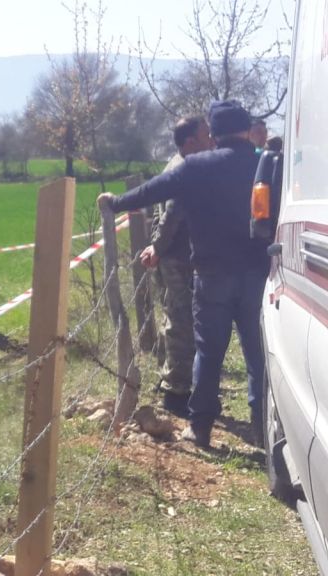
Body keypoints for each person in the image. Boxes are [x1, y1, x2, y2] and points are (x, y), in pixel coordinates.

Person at [98, 100, 270, 448]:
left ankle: (200, 427)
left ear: (215, 133)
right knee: (257, 353)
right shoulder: (266, 164)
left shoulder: (196, 167)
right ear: (246, 129)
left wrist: (115, 203)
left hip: (211, 274)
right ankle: (262, 425)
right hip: (258, 275)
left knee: (208, 352)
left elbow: (152, 191)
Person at [137, 116, 213, 415]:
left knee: (178, 316)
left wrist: (157, 246)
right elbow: (170, 216)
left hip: (175, 254)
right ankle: (176, 391)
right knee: (182, 321)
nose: (211, 140)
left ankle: (173, 376)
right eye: (206, 135)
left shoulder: (178, 165)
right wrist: (157, 247)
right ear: (191, 142)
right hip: (178, 257)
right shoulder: (184, 169)